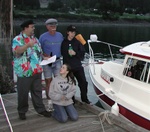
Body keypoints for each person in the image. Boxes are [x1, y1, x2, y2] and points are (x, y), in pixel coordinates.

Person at [12, 20, 51, 120]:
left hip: (37, 70)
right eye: (31, 27)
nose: (33, 29)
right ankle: (22, 111)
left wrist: (45, 58)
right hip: (24, 72)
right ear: (25, 28)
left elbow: (39, 53)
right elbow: (16, 52)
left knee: (37, 91)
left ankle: (41, 109)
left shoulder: (35, 39)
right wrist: (27, 45)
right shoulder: (18, 39)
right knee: (23, 93)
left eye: (34, 27)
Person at [61, 25, 91, 104]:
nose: (73, 34)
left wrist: (75, 53)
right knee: (70, 84)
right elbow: (62, 53)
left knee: (84, 82)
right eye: (71, 32)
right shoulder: (63, 42)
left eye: (74, 32)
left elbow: (82, 53)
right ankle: (72, 100)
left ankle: (84, 98)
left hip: (78, 66)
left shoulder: (77, 41)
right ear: (67, 32)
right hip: (69, 67)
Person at [39, 18, 64, 101]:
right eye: (51, 25)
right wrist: (43, 55)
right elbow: (38, 49)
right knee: (48, 81)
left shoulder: (60, 35)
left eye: (55, 25)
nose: (53, 27)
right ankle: (49, 100)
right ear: (47, 26)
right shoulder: (42, 37)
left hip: (57, 61)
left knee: (58, 80)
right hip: (47, 61)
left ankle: (58, 98)